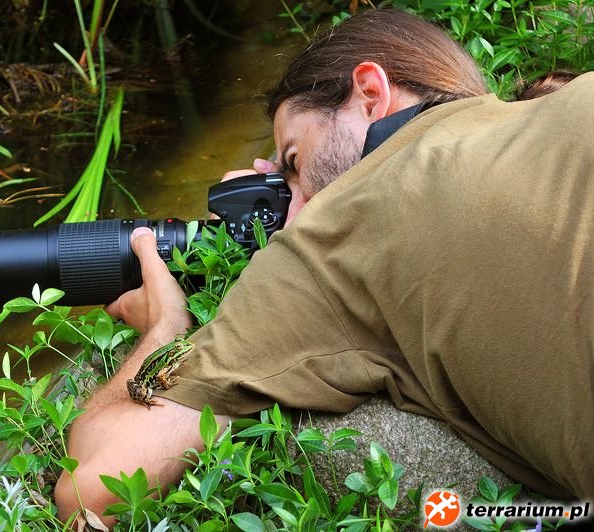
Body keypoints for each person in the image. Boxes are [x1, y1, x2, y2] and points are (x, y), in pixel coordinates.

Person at [55, 8, 594, 523]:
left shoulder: (333, 237)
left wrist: (164, 328)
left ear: (370, 93)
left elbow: (95, 485)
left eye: (293, 161)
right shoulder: (563, 103)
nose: (293, 217)